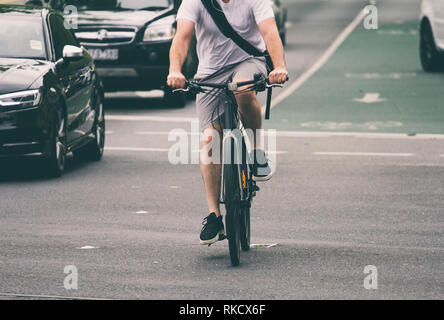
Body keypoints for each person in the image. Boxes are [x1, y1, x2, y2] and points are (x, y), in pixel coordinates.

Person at [168, 0, 288, 245]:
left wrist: (279, 66)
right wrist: (175, 70)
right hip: (210, 73)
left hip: (249, 62)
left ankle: (255, 150)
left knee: (242, 89)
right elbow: (182, 37)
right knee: (210, 140)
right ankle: (214, 216)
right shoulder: (195, 2)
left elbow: (269, 31)